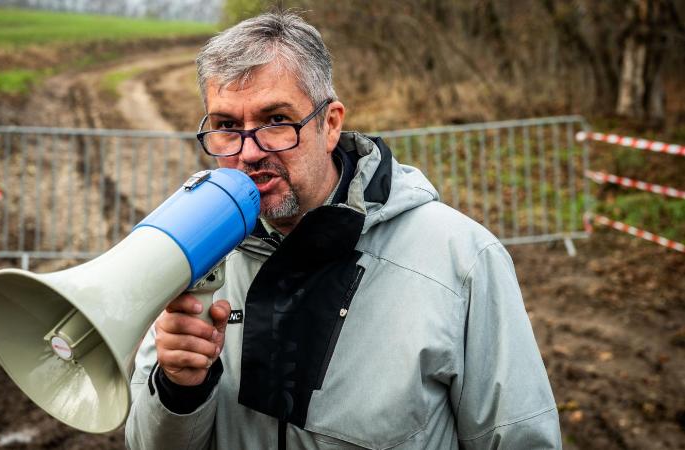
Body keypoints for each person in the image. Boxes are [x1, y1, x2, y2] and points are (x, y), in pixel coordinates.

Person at [126, 12, 561, 450]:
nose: (249, 152)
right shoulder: (193, 248)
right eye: (226, 127)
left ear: (330, 123)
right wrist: (180, 388)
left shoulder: (462, 259)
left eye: (276, 120)